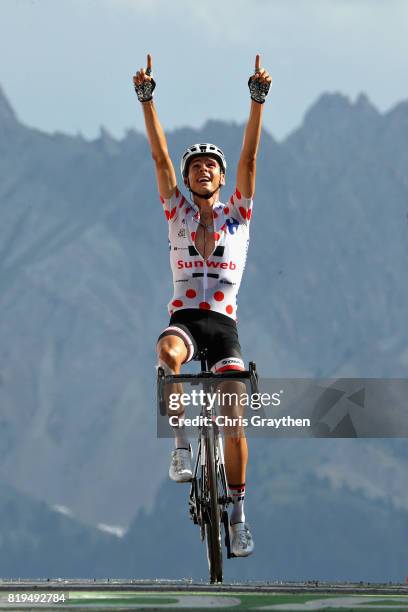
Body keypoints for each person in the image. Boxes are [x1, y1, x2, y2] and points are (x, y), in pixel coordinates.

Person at [133, 54, 271, 557]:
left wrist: (256, 102)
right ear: (189, 180)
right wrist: (147, 101)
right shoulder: (176, 211)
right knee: (167, 355)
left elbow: (250, 161)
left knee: (233, 418)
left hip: (225, 327)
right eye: (197, 167)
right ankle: (180, 449)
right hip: (187, 321)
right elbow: (160, 159)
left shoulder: (239, 213)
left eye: (211, 165)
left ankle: (238, 515)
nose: (205, 169)